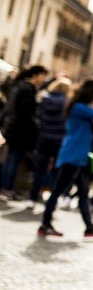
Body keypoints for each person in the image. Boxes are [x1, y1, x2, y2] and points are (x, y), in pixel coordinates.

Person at [38, 79, 93, 237]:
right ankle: (45, 224)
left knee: (83, 192)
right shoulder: (79, 107)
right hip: (73, 156)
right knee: (58, 190)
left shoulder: (79, 107)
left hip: (78, 156)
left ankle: (89, 227)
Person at [0, 65, 48, 198]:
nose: (43, 79)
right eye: (42, 76)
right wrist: (35, 124)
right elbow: (25, 112)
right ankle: (7, 188)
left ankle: (4, 187)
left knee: (10, 159)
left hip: (12, 128)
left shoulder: (20, 86)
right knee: (13, 160)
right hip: (20, 131)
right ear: (35, 75)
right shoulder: (27, 89)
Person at [27, 77, 72, 209]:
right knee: (57, 171)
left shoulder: (45, 100)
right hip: (59, 139)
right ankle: (52, 200)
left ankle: (32, 198)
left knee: (39, 170)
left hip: (44, 137)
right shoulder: (66, 103)